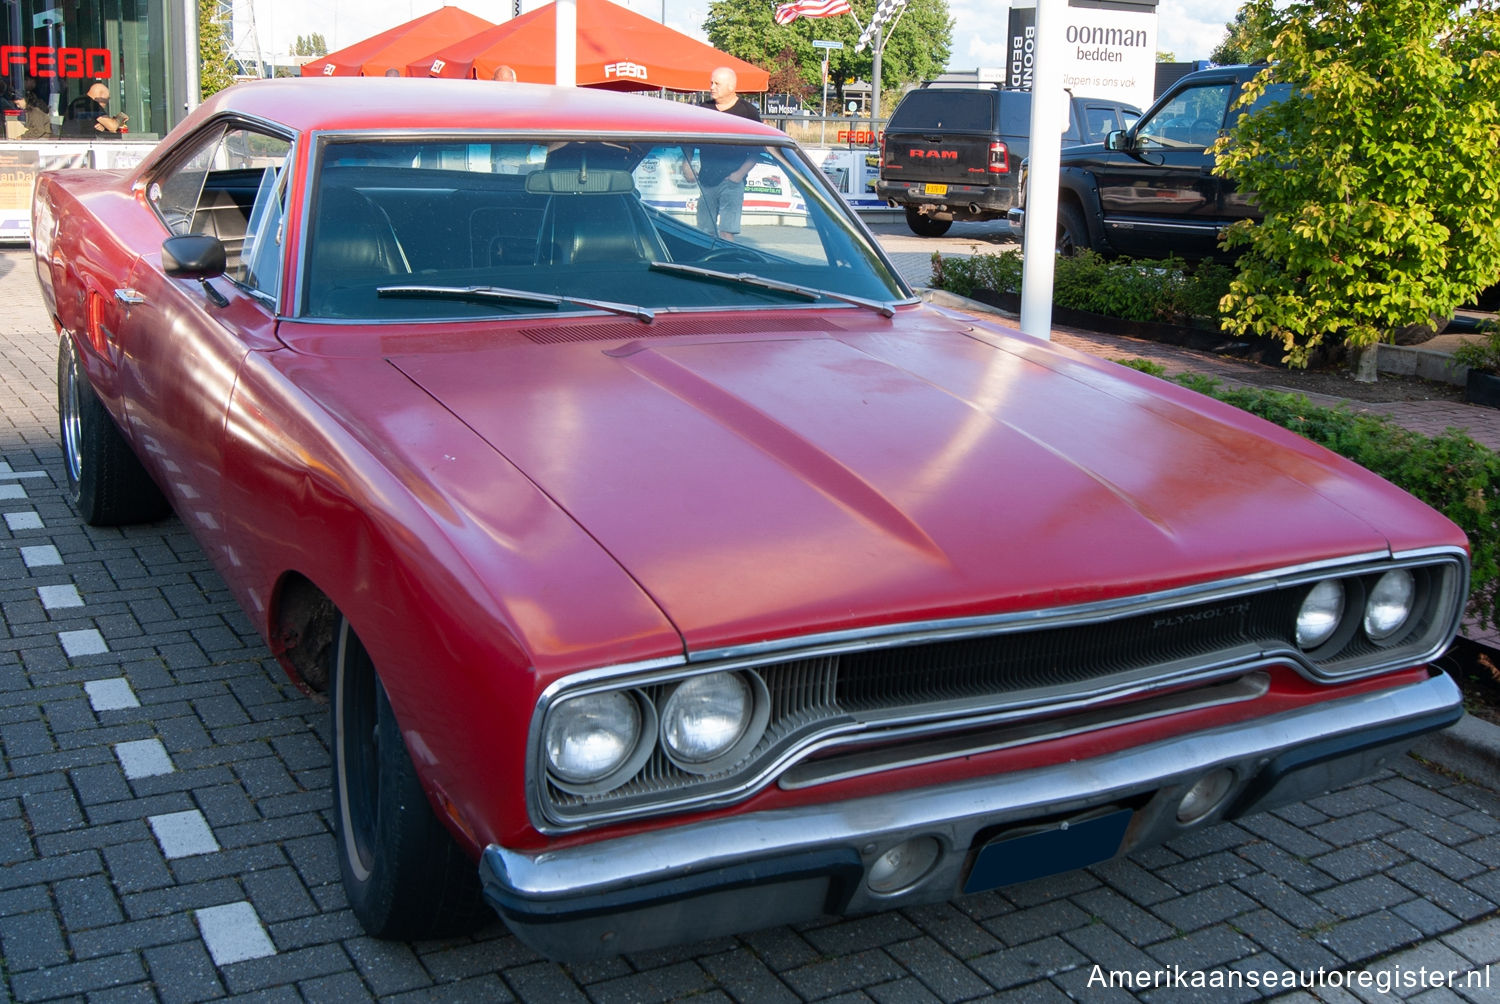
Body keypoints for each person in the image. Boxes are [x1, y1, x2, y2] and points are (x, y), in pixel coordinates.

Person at [683, 67, 761, 241]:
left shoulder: (748, 112)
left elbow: (758, 149)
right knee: (704, 231)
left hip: (732, 182)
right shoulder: (703, 109)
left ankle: (728, 265)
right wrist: (686, 164)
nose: (712, 87)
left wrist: (739, 174)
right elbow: (688, 141)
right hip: (706, 179)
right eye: (711, 82)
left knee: (727, 232)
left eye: (717, 83)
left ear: (731, 86)